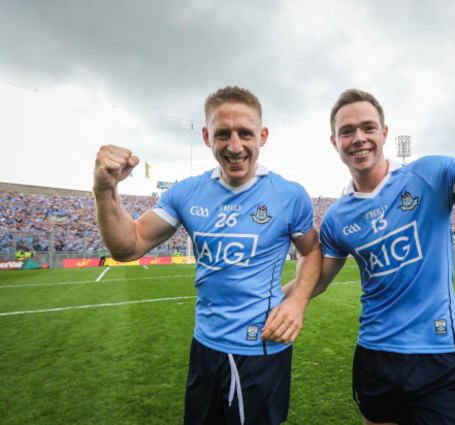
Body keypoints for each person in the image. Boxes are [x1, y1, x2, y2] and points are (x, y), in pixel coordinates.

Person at [284, 11, 455, 425]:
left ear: (384, 132)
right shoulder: (337, 219)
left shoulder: (432, 176)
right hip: (375, 356)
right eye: (347, 131)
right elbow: (318, 280)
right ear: (334, 142)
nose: (358, 137)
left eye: (367, 127)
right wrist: (261, 304)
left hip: (439, 357)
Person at [93, 86, 322, 425]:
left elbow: (312, 251)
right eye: (222, 134)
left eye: (245, 133)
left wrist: (297, 300)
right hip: (204, 346)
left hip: (260, 348)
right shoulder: (186, 192)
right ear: (206, 136)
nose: (234, 145)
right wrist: (104, 189)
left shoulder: (289, 195)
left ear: (263, 136)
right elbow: (129, 246)